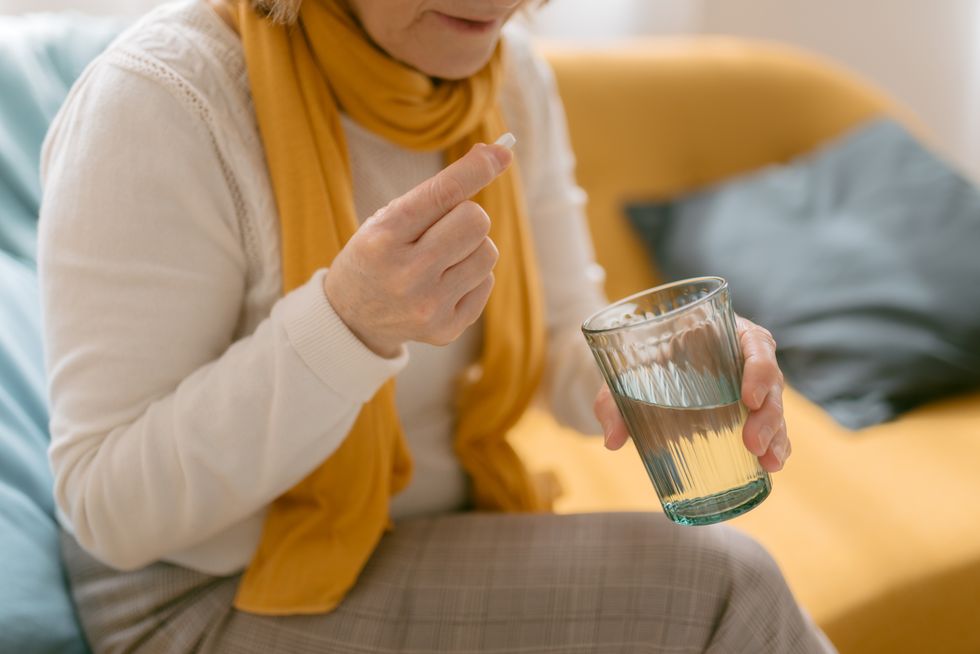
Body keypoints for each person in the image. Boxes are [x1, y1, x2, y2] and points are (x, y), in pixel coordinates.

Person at [38, 0, 834, 651]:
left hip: (415, 536)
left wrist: (666, 370)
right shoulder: (161, 99)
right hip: (204, 590)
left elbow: (563, 339)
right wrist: (346, 325)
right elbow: (110, 511)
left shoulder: (507, 74)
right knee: (727, 586)